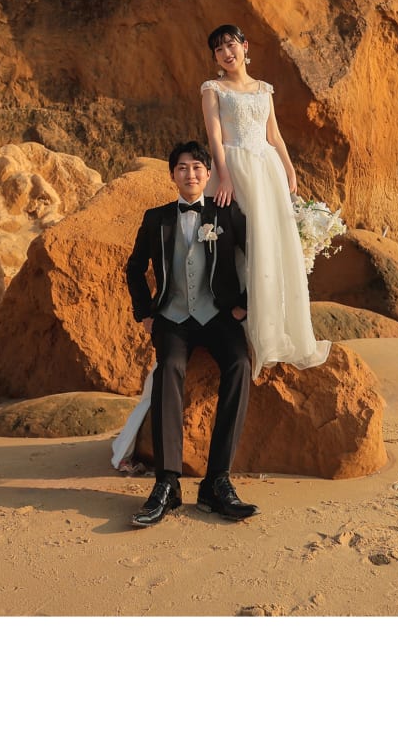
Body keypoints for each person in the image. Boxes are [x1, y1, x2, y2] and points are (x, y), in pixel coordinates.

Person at [120, 141, 260, 527]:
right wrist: (145, 313)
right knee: (169, 368)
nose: (190, 174)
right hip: (173, 317)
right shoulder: (156, 218)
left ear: (209, 174)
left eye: (197, 167)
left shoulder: (227, 213)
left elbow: (259, 257)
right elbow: (134, 268)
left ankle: (217, 481)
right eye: (182, 168)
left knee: (239, 364)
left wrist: (244, 305)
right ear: (172, 175)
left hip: (218, 315)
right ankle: (167, 483)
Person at [199, 24, 330, 375]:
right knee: (244, 243)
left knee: (272, 244)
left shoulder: (264, 89)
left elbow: (275, 135)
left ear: (245, 47)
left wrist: (289, 169)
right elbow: (214, 138)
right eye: (218, 49)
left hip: (267, 169)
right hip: (235, 167)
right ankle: (244, 326)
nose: (226, 53)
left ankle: (275, 330)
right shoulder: (212, 89)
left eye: (230, 45)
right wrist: (224, 176)